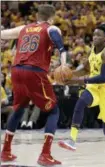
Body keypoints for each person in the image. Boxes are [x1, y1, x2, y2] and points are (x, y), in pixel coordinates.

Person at [1, 4, 67, 166]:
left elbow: (3, 34)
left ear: (37, 16)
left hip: (16, 70)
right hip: (34, 71)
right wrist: (63, 65)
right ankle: (45, 154)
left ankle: (6, 151)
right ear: (52, 18)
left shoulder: (25, 27)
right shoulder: (51, 29)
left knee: (19, 108)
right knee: (53, 110)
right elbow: (61, 48)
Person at [58, 25, 105, 155]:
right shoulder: (92, 50)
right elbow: (86, 70)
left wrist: (77, 81)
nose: (95, 37)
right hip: (93, 88)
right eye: (94, 34)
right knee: (80, 103)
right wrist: (70, 74)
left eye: (99, 35)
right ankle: (72, 140)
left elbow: (103, 78)